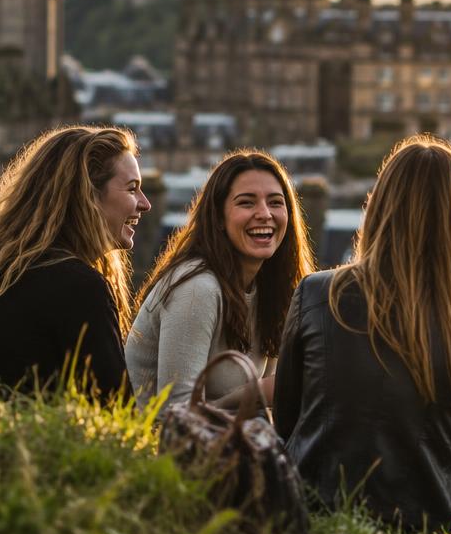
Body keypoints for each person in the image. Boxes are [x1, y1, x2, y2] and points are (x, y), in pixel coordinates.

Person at [274, 135, 451, 532]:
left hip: (313, 503)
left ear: (378, 207)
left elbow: (286, 421)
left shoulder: (315, 293)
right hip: (427, 519)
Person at [0, 125, 151, 399]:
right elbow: (115, 407)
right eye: (132, 189)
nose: (145, 203)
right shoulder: (79, 288)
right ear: (88, 197)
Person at [126, 150, 314, 413]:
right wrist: (253, 394)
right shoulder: (197, 289)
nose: (264, 213)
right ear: (219, 218)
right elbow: (175, 415)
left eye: (275, 202)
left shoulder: (270, 291)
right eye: (246, 203)